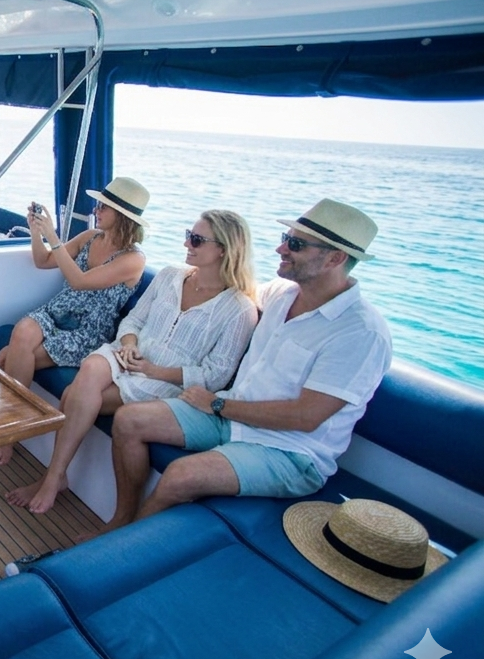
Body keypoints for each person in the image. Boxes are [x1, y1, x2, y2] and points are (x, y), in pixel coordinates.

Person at [91, 199, 391, 539]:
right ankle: (121, 520)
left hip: (289, 450)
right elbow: (226, 294)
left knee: (180, 476)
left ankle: (122, 550)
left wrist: (217, 403)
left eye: (295, 244)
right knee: (130, 420)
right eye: (285, 237)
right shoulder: (281, 294)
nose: (280, 248)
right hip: (231, 417)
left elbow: (306, 417)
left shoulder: (361, 333)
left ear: (335, 258)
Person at [6, 210, 259, 513]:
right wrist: (128, 344)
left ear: (224, 249)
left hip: (162, 381)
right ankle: (53, 476)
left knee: (75, 393)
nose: (186, 244)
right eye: (187, 235)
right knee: (90, 367)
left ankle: (53, 477)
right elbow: (134, 321)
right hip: (126, 356)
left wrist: (156, 370)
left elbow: (216, 376)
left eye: (196, 239)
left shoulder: (239, 310)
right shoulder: (169, 276)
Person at [0, 177, 150, 466]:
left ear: (123, 218)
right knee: (23, 331)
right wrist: (36, 231)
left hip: (87, 330)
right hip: (56, 312)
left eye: (103, 207)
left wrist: (54, 236)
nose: (97, 210)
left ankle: (8, 431)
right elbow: (43, 261)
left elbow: (79, 282)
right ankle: (12, 424)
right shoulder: (90, 238)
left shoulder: (133, 259)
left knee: (7, 355)